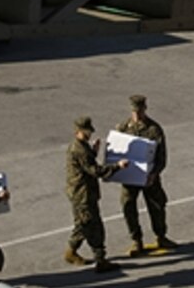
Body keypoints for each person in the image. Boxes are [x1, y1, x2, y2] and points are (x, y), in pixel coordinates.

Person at [64, 116, 128, 273]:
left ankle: (71, 252)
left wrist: (93, 152)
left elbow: (85, 164)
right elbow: (95, 171)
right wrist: (117, 167)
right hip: (84, 195)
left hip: (80, 193)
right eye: (86, 132)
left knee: (82, 223)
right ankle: (100, 259)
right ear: (78, 131)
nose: (89, 135)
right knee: (94, 226)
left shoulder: (79, 146)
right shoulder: (79, 149)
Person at [116, 95, 176, 256]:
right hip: (130, 177)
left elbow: (161, 157)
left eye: (140, 111)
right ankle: (136, 240)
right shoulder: (123, 128)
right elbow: (115, 153)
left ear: (145, 109)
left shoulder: (154, 129)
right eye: (135, 111)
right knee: (128, 207)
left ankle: (161, 236)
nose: (138, 115)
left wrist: (155, 173)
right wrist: (119, 168)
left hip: (150, 177)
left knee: (157, 206)